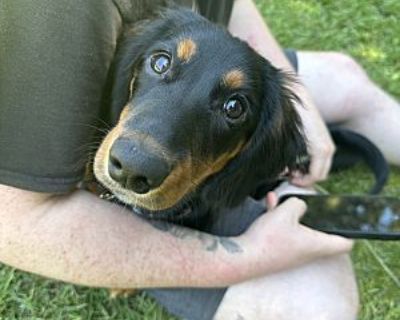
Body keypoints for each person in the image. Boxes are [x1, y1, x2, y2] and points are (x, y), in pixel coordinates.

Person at [0, 0, 398, 319]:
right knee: (319, 303)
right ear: (132, 68)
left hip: (214, 62)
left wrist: (302, 106)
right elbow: (12, 223)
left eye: (234, 107)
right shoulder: (50, 12)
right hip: (90, 199)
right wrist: (254, 255)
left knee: (345, 78)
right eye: (160, 64)